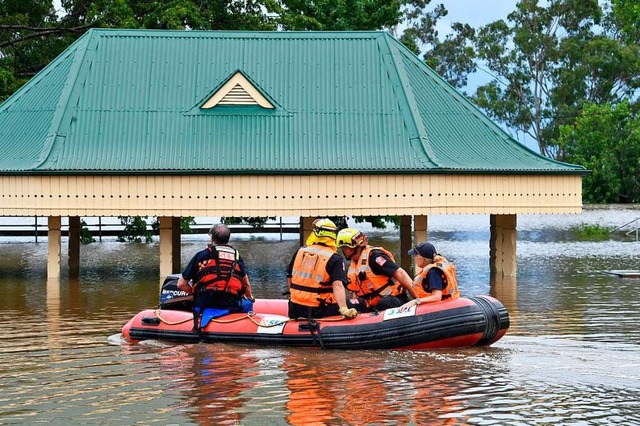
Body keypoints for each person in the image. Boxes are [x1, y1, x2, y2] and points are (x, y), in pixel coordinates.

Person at [177, 223, 254, 327]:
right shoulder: (236, 257)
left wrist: (195, 294)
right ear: (228, 239)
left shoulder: (201, 255)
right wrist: (250, 298)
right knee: (247, 304)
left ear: (212, 238)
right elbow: (247, 285)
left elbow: (181, 284)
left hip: (203, 303)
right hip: (230, 304)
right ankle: (243, 327)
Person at [286, 218, 358, 319]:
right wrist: (344, 309)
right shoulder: (334, 258)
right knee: (359, 304)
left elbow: (289, 277)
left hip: (295, 308)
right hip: (320, 310)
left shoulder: (300, 252)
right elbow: (338, 285)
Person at [336, 228, 420, 312]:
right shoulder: (354, 264)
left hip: (394, 298)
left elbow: (400, 273)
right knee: (349, 304)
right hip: (369, 302)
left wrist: (418, 298)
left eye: (344, 248)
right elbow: (356, 289)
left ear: (351, 247)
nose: (343, 250)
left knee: (383, 303)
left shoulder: (375, 257)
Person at [400, 242, 460, 310]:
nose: (414, 258)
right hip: (449, 304)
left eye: (415, 256)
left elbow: (437, 297)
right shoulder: (435, 268)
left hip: (443, 308)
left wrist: (415, 302)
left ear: (421, 258)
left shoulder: (433, 272)